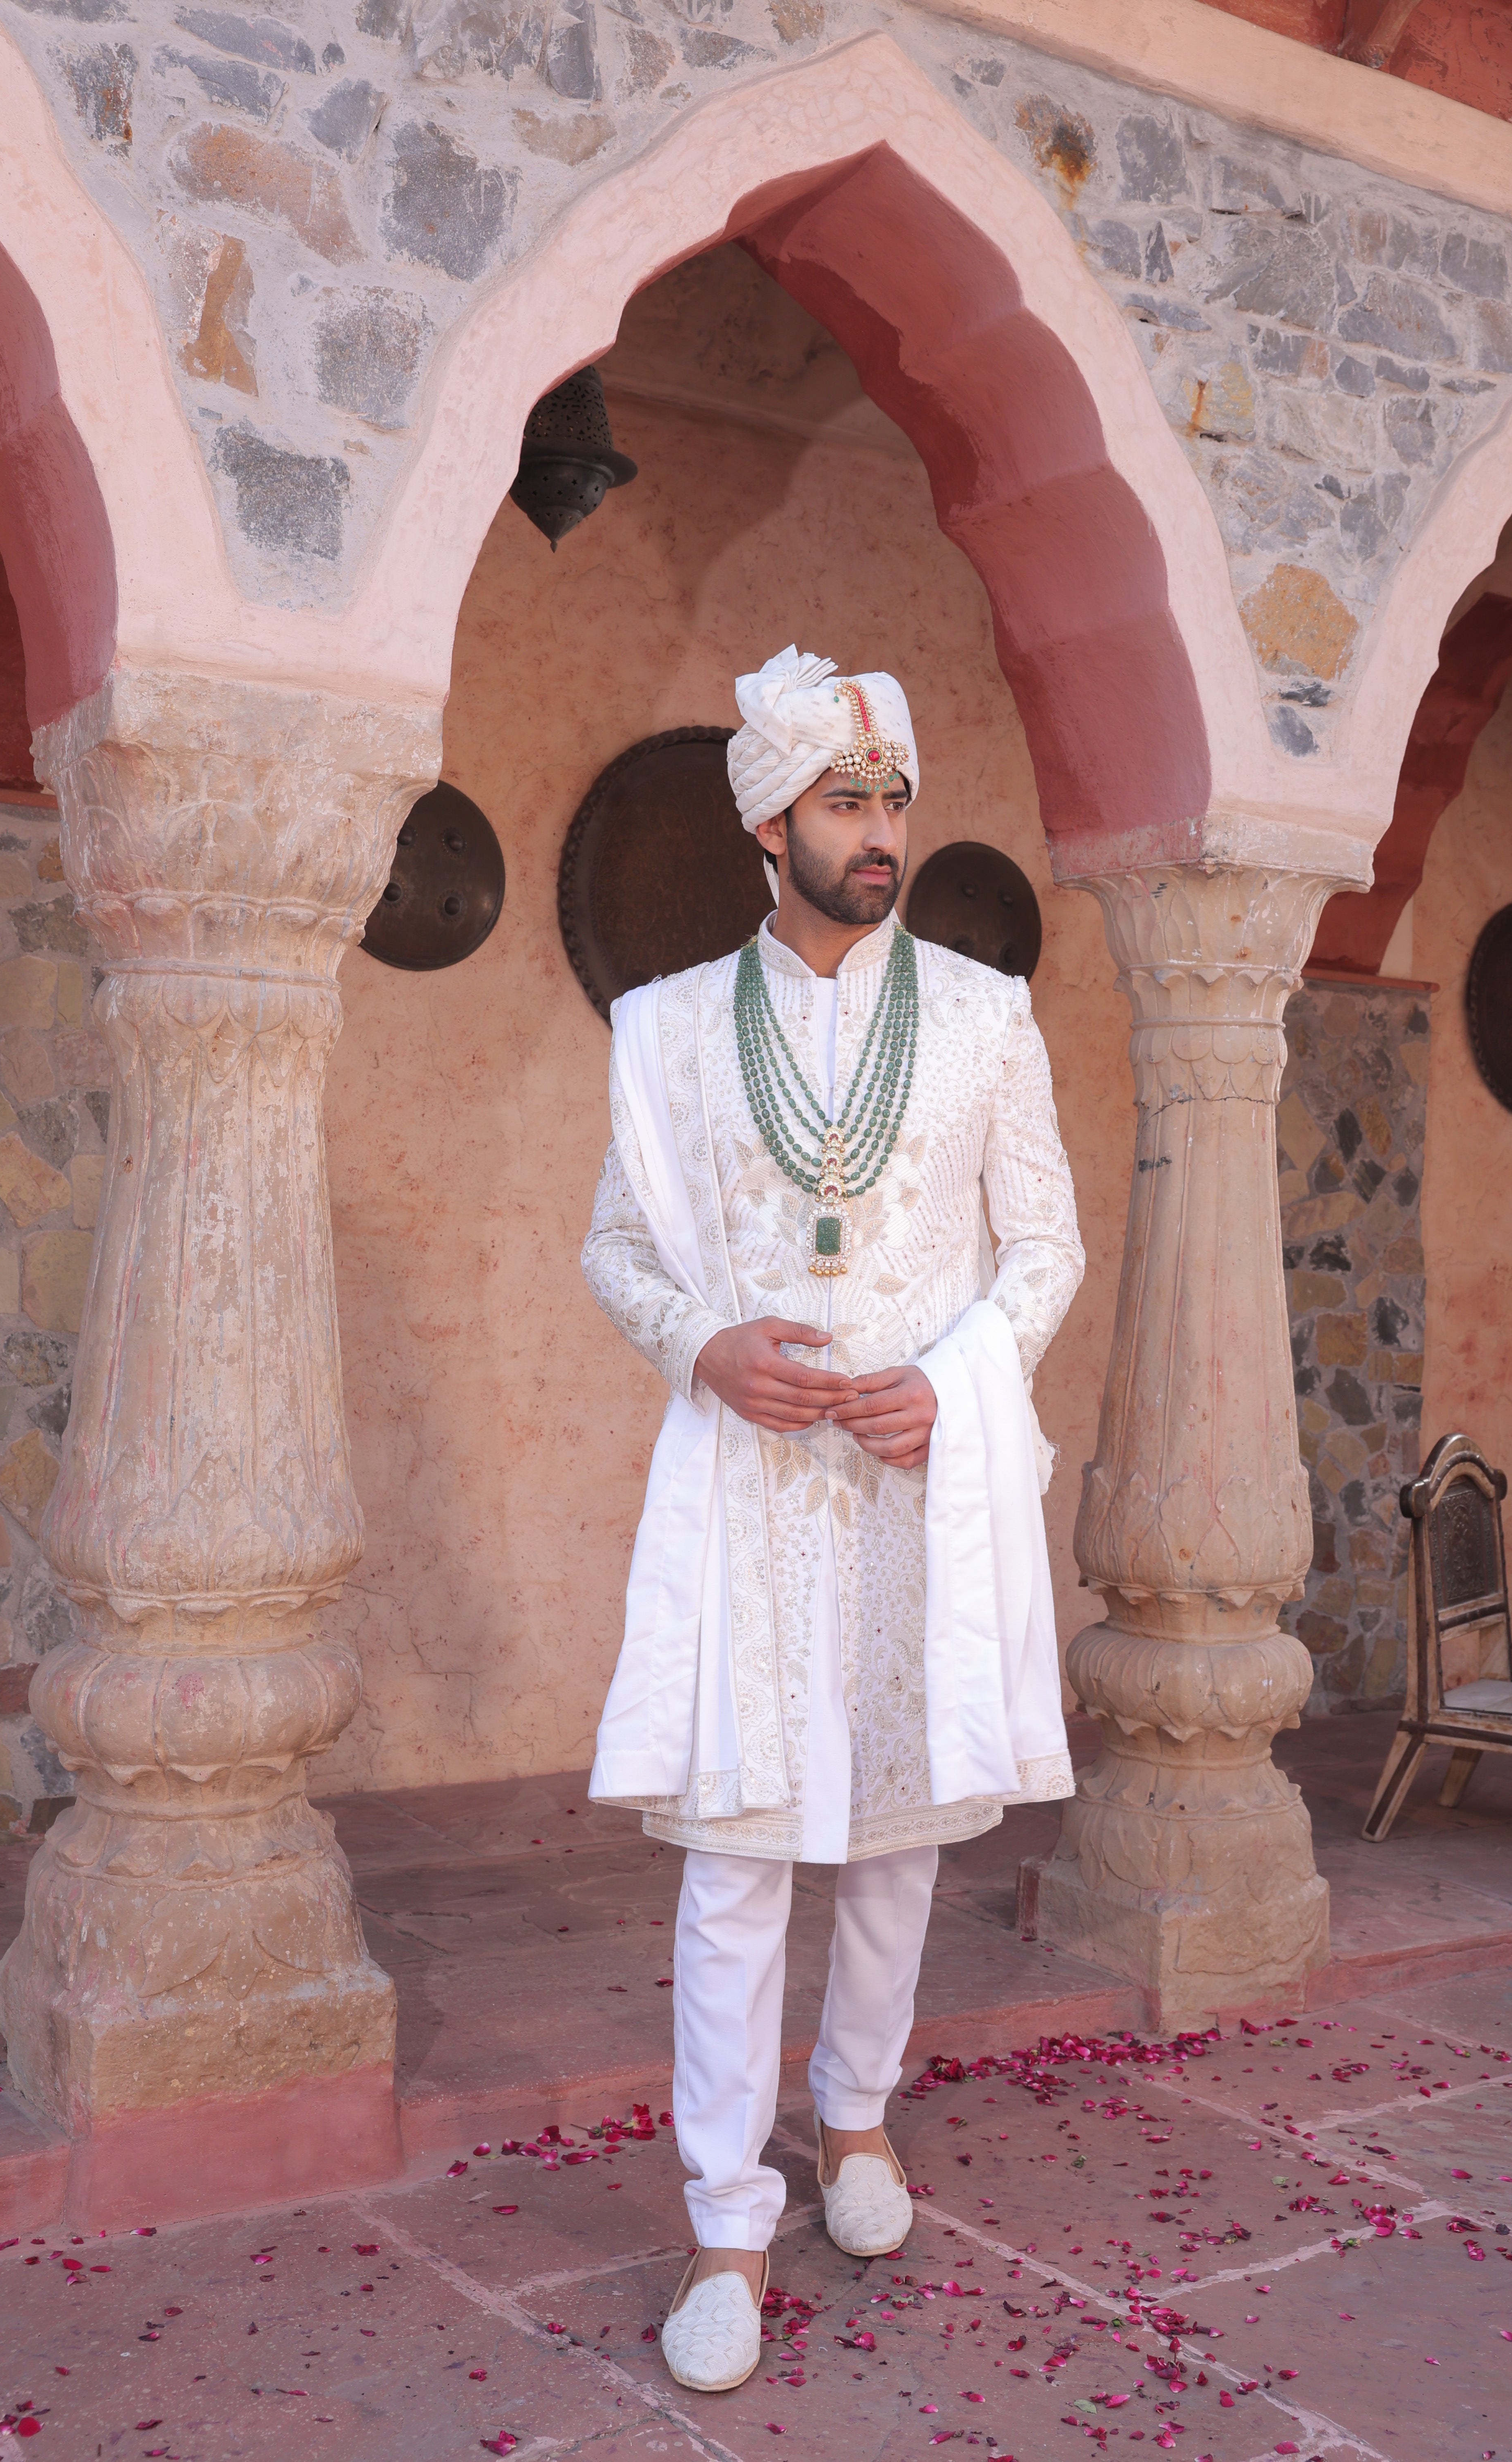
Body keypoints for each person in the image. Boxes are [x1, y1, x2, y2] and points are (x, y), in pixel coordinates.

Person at [580, 644, 1084, 2394]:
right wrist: (701, 1345)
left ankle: (854, 2127)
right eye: (845, 804)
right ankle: (726, 2218)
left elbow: (1044, 1248)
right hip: (745, 1485)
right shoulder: (660, 1033)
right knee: (734, 1864)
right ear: (767, 822)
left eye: (893, 802)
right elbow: (619, 1250)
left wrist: (956, 1380)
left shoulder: (983, 1015)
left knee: (895, 1836)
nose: (880, 833)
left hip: (907, 1483)